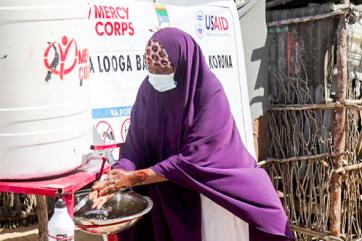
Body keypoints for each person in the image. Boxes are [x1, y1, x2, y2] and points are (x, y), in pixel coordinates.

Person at [90, 27, 295, 241]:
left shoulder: (208, 92)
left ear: (183, 66)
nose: (157, 78)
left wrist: (134, 178)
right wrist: (114, 180)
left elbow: (196, 158)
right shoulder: (148, 90)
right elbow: (136, 147)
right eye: (152, 71)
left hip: (212, 191)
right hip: (166, 189)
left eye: (164, 71)